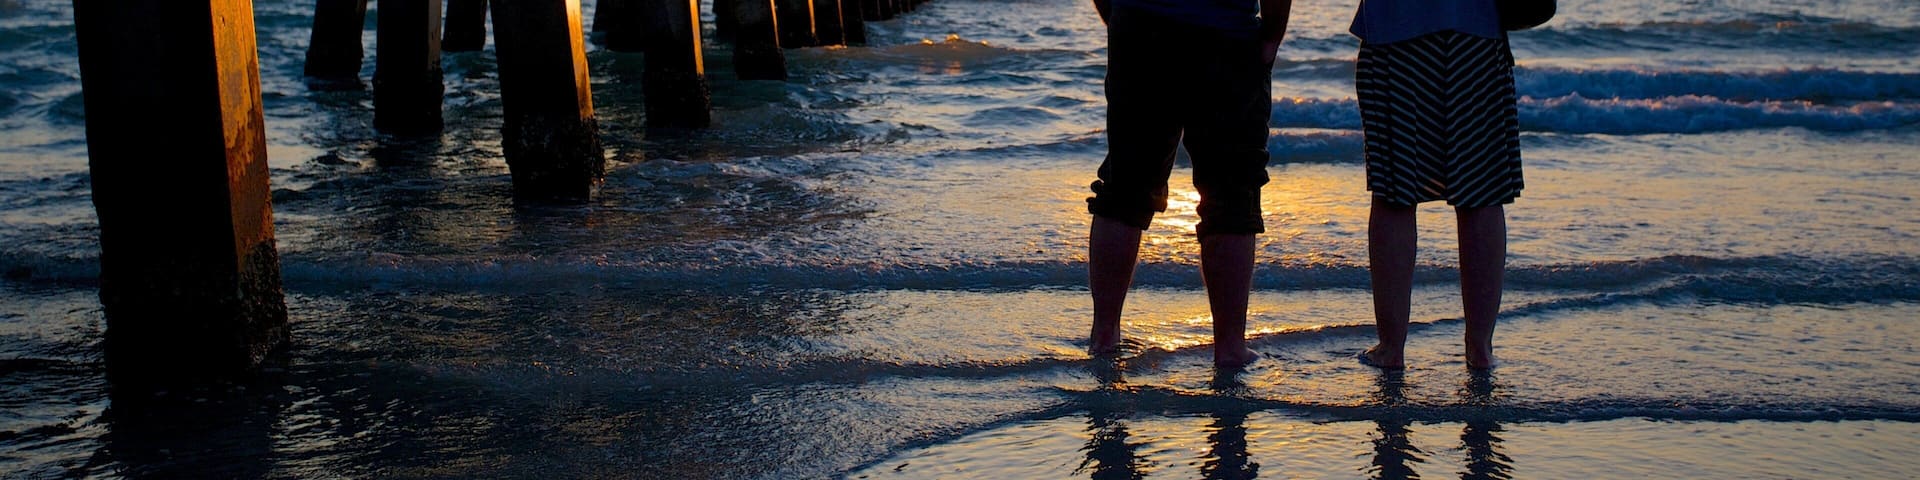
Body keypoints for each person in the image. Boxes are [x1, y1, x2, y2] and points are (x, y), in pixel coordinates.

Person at [1085, 0, 1292, 369]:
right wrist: (1273, 33)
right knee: (1231, 194)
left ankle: (1103, 335)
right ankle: (1229, 348)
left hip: (1141, 22)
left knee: (1124, 189)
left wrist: (1119, 15)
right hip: (1225, 30)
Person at [1349, 0, 1522, 370]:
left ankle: (1391, 349)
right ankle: (1480, 349)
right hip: (1476, 30)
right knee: (1482, 192)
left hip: (1395, 31)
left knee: (1396, 191)